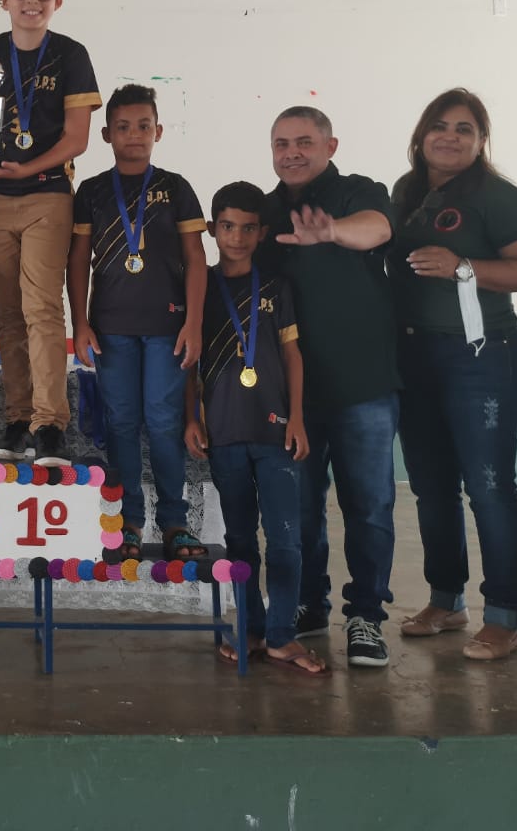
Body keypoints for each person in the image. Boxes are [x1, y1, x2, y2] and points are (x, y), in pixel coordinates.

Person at [390, 90, 517, 662]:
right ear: (421, 135)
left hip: (481, 356)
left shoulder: (496, 195)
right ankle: (446, 601)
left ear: (481, 141)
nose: (450, 136)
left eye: (464, 128)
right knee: (431, 486)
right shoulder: (406, 191)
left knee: (488, 486)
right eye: (440, 125)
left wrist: (464, 268)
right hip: (413, 356)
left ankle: (503, 616)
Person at [260, 106, 399, 668]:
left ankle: (366, 615)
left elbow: (378, 228)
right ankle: (307, 605)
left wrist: (332, 232)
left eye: (304, 142)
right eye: (281, 143)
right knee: (299, 508)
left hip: (363, 383)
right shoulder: (266, 210)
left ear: (330, 146)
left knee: (369, 506)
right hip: (291, 392)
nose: (291, 152)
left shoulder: (357, 192)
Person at [0, 0, 101, 466]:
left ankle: (50, 424)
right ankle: (17, 419)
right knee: (10, 314)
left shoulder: (71, 55)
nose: (31, 0)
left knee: (42, 309)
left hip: (47, 196)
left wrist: (29, 167)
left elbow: (78, 138)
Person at [186, 182, 326, 676]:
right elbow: (188, 362)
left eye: (248, 228)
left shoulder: (276, 288)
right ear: (212, 229)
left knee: (286, 538)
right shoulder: (200, 287)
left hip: (275, 431)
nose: (237, 237)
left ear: (262, 233)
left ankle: (283, 636)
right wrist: (191, 417)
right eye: (227, 226)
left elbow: (292, 354)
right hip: (222, 434)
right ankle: (250, 627)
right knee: (241, 540)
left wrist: (298, 417)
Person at [69, 84, 207, 561]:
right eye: (123, 127)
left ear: (158, 131)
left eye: (144, 126)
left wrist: (194, 323)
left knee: (165, 421)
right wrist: (79, 323)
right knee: (122, 423)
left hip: (169, 329)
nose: (134, 135)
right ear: (106, 134)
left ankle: (174, 522)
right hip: (111, 330)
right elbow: (78, 260)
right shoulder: (91, 191)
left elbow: (196, 259)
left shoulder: (176, 188)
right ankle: (127, 521)